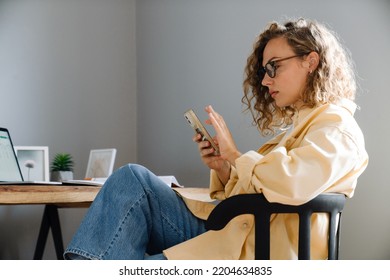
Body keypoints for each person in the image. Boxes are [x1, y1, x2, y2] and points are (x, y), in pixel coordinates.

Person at [64, 18, 368, 260]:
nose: (265, 80)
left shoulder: (338, 130)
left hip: (257, 253)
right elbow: (262, 191)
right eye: (264, 70)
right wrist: (225, 167)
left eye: (274, 66)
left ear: (311, 62)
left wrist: (236, 156)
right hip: (238, 234)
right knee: (133, 180)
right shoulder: (301, 127)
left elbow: (292, 183)